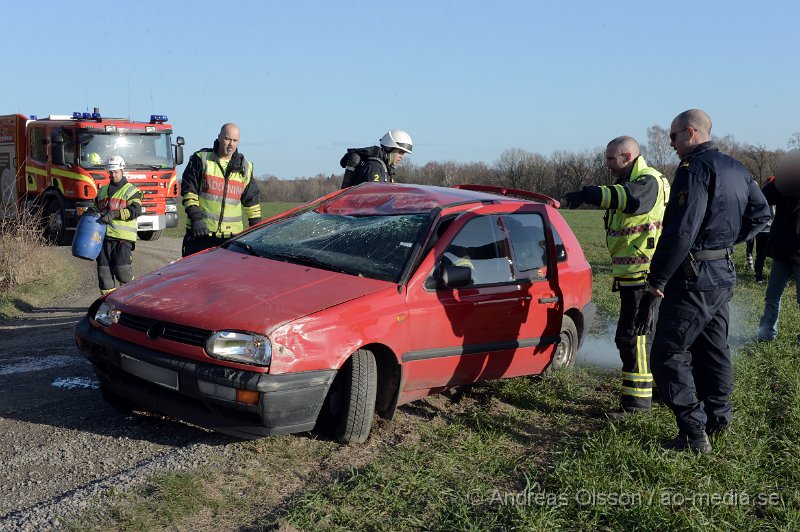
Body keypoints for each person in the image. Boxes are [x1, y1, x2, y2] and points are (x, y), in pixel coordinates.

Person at [640, 109, 771, 453]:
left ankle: (693, 432)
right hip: (722, 274)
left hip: (693, 278)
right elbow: (761, 214)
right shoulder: (737, 168)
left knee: (667, 353)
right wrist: (724, 242)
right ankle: (718, 419)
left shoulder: (693, 169)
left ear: (691, 133)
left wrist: (657, 281)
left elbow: (682, 231)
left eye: (673, 136)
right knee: (713, 349)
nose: (671, 144)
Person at [564, 136, 670, 418]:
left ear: (628, 156)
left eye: (611, 159)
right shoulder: (637, 179)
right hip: (635, 274)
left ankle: (636, 405)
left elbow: (628, 199)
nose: (607, 164)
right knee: (646, 336)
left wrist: (587, 194)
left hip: (643, 274)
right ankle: (663, 390)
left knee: (634, 337)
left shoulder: (648, 181)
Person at [181, 123, 262, 257]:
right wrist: (196, 219)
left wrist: (257, 229)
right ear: (219, 137)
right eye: (227, 139)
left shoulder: (245, 167)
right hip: (200, 233)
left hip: (231, 239)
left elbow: (252, 202)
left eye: (235, 140)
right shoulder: (201, 159)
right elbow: (189, 192)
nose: (231, 144)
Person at [757, 150, 800, 343]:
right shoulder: (783, 184)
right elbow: (763, 197)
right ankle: (767, 333)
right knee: (772, 295)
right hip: (782, 251)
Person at [89, 155, 143, 295]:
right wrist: (87, 215)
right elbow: (95, 209)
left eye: (116, 172)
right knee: (104, 273)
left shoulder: (132, 191)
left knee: (123, 272)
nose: (113, 175)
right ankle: (109, 304)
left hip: (122, 239)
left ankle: (132, 298)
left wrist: (114, 214)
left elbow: (135, 210)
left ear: (122, 170)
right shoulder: (102, 191)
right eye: (111, 172)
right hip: (103, 238)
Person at [340, 130, 413, 188]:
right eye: (400, 152)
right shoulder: (374, 167)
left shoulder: (384, 167)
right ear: (389, 148)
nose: (402, 157)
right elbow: (373, 198)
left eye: (403, 153)